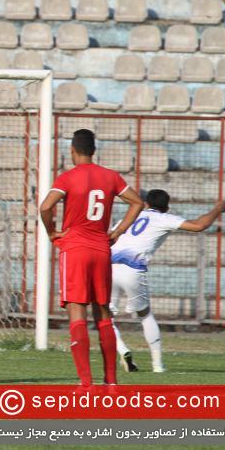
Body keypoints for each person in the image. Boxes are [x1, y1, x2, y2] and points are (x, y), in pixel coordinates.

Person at [38, 128, 145, 387]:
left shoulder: (68, 178)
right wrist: (118, 231)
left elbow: (45, 207)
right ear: (94, 151)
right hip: (101, 248)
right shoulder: (110, 177)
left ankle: (86, 383)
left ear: (72, 151)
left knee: (77, 313)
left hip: (74, 248)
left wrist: (52, 232)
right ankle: (111, 381)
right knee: (103, 314)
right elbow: (138, 203)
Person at [110, 190, 225, 374]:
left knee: (105, 316)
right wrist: (218, 209)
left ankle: (122, 350)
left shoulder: (131, 215)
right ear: (167, 208)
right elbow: (199, 225)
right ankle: (157, 366)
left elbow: (110, 238)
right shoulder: (165, 218)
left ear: (146, 204)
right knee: (145, 315)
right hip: (133, 269)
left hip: (109, 266)